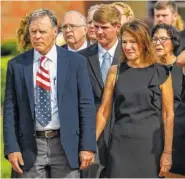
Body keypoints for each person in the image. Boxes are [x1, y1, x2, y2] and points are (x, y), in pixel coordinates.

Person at [3, 9, 96, 178]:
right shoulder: (16, 65)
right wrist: (12, 148)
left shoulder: (76, 62)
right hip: (30, 147)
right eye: (33, 32)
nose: (37, 36)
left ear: (55, 32)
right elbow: (10, 110)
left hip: (65, 145)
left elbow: (86, 105)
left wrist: (87, 145)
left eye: (42, 31)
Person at [96, 19, 174, 177]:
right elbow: (103, 112)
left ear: (144, 42)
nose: (128, 47)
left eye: (133, 41)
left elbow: (168, 115)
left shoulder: (162, 72)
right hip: (120, 145)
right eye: (124, 42)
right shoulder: (115, 72)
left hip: (150, 148)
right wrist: (89, 145)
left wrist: (167, 152)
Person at [79, 4, 122, 178]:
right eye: (96, 26)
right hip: (92, 133)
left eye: (104, 27)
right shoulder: (81, 58)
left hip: (124, 130)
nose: (99, 31)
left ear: (117, 27)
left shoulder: (131, 55)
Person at [152, 23, 182, 109]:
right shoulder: (148, 68)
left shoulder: (181, 67)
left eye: (163, 39)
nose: (157, 43)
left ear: (173, 42)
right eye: (155, 39)